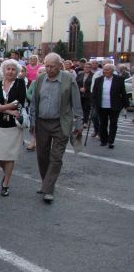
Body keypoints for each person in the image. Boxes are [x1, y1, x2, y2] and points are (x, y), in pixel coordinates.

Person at [30, 53, 83, 203]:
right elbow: (34, 102)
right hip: (42, 123)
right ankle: (46, 181)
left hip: (61, 123)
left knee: (56, 157)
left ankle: (48, 189)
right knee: (42, 155)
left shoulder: (68, 79)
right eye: (46, 66)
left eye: (52, 66)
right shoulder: (40, 79)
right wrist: (33, 122)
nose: (48, 69)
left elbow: (76, 103)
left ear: (60, 66)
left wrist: (78, 124)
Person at [0, 60, 27, 196]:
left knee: (10, 155)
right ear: (3, 70)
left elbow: (19, 102)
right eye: (8, 69)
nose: (10, 71)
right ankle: (7, 174)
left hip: (13, 125)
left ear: (16, 72)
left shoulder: (20, 83)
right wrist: (9, 110)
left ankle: (6, 183)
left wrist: (1, 108)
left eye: (13, 69)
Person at [92, 63, 129, 148]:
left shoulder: (119, 79)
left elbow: (123, 93)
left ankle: (111, 141)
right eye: (104, 70)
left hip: (114, 106)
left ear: (112, 71)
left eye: (107, 70)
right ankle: (104, 140)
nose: (105, 71)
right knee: (103, 124)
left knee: (113, 124)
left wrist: (125, 104)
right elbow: (94, 93)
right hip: (102, 106)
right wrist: (94, 103)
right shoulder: (99, 80)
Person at [76, 61, 94, 127]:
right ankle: (80, 120)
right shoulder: (80, 74)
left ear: (91, 68)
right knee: (80, 108)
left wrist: (86, 89)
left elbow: (93, 85)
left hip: (88, 95)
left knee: (86, 108)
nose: (87, 68)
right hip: (80, 94)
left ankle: (85, 121)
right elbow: (76, 83)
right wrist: (80, 88)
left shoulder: (93, 75)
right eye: (86, 67)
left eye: (89, 67)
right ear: (84, 68)